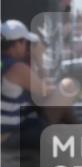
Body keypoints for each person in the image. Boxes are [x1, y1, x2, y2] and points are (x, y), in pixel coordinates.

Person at [1, 19, 75, 152]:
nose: (26, 47)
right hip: (10, 139)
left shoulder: (4, 64)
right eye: (25, 43)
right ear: (17, 44)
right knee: (67, 86)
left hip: (12, 129)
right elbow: (46, 91)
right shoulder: (16, 68)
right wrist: (39, 59)